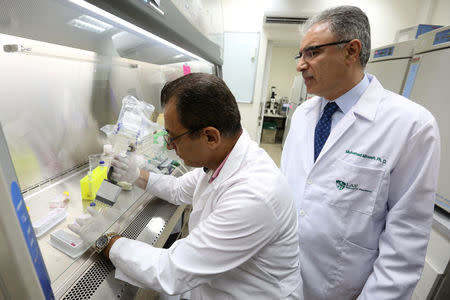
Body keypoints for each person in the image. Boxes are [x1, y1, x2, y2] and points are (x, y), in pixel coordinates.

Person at [79, 73, 302, 299]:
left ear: (210, 137)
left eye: (173, 136)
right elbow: (178, 189)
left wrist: (106, 240)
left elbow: (171, 271)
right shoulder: (224, 157)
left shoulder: (254, 195)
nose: (168, 145)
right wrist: (136, 174)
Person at [281, 5, 440, 300]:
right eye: (300, 55)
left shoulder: (411, 126)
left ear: (352, 51)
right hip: (282, 281)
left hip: (341, 291)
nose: (300, 65)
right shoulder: (303, 115)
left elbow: (404, 246)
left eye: (312, 53)